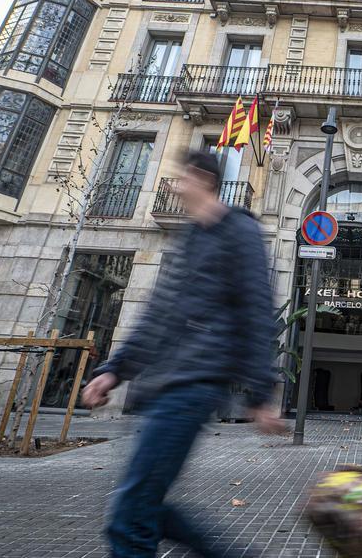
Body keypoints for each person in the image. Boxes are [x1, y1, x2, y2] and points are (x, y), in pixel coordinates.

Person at [80, 149, 285, 558]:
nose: (174, 186)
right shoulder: (191, 237)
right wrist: (115, 370)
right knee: (146, 507)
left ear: (201, 178)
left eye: (180, 178)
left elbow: (257, 310)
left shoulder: (239, 232)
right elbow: (158, 314)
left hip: (193, 386)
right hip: (164, 387)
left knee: (131, 513)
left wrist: (260, 394)